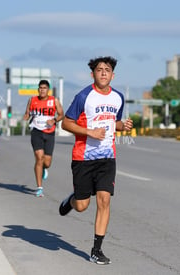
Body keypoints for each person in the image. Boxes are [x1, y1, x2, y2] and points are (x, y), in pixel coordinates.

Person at [58, 56, 133, 265]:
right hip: (83, 157)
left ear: (112, 75)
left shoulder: (118, 97)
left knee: (105, 200)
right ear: (93, 74)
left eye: (107, 70)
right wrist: (89, 131)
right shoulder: (84, 96)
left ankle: (96, 250)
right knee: (82, 206)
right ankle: (72, 200)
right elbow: (66, 123)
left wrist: (122, 126)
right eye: (99, 70)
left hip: (107, 157)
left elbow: (113, 122)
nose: (103, 73)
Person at [23, 80, 64, 197]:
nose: (42, 90)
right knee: (39, 158)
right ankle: (39, 187)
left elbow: (61, 114)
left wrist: (54, 120)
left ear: (48, 90)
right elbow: (27, 113)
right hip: (36, 131)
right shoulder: (32, 100)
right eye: (40, 88)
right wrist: (25, 117)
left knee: (47, 162)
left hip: (49, 133)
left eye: (44, 88)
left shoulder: (54, 100)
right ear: (38, 89)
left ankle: (44, 169)